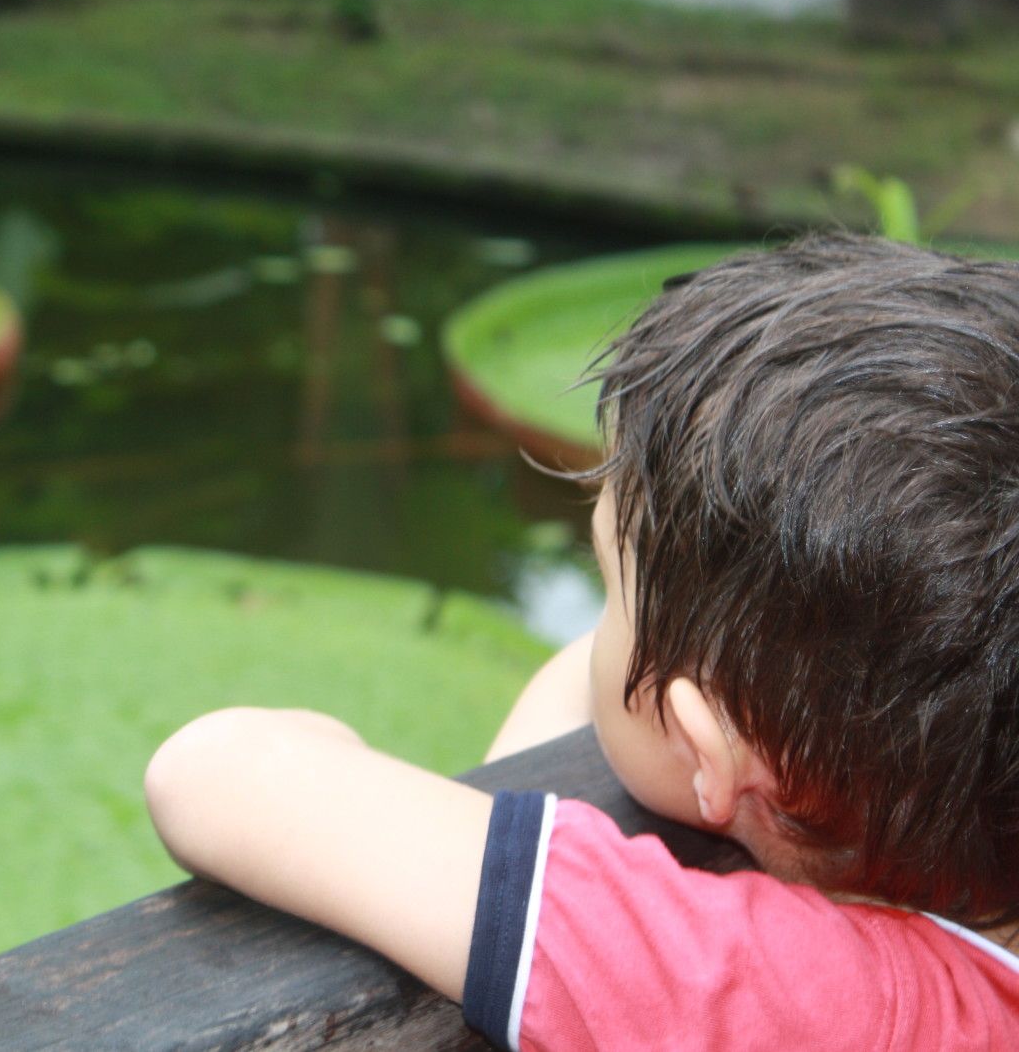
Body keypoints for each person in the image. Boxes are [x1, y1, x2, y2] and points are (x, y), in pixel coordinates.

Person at [143, 234, 1019, 1050]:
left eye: (607, 593)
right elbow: (587, 693)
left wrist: (413, 781)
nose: (591, 638)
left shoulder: (808, 1003)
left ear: (707, 754)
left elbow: (213, 773)